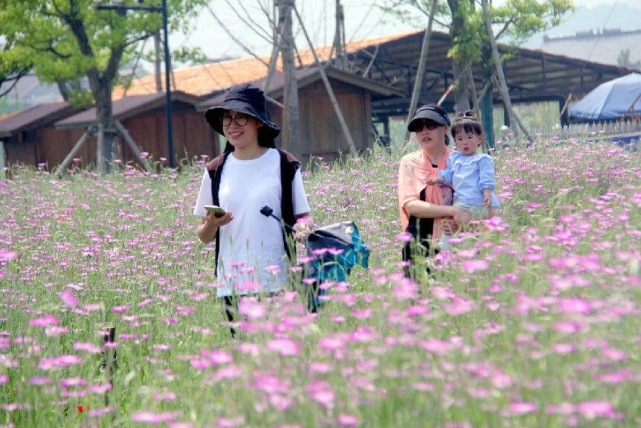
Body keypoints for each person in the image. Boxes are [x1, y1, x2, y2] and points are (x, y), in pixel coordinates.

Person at [193, 83, 312, 334]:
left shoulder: (283, 164)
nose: (233, 125)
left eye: (241, 118)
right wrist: (212, 223)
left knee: (278, 355)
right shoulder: (215, 170)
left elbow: (303, 217)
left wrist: (304, 227)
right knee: (244, 356)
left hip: (277, 277)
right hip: (232, 282)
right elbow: (203, 237)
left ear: (258, 122)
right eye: (228, 118)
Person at [397, 103, 472, 277]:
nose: (424, 131)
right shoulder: (409, 162)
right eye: (419, 127)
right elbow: (411, 205)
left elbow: (477, 200)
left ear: (445, 128)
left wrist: (461, 220)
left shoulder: (462, 160)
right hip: (419, 243)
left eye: (431, 125)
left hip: (457, 240)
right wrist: (453, 211)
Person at [426, 110, 500, 250]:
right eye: (460, 139)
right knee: (453, 220)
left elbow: (486, 179)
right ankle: (447, 248)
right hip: (462, 202)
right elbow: (448, 175)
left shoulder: (483, 159)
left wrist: (487, 195)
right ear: (455, 141)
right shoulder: (454, 158)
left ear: (479, 138)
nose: (465, 142)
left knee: (465, 223)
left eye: (469, 137)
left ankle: (476, 236)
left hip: (479, 202)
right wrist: (438, 179)